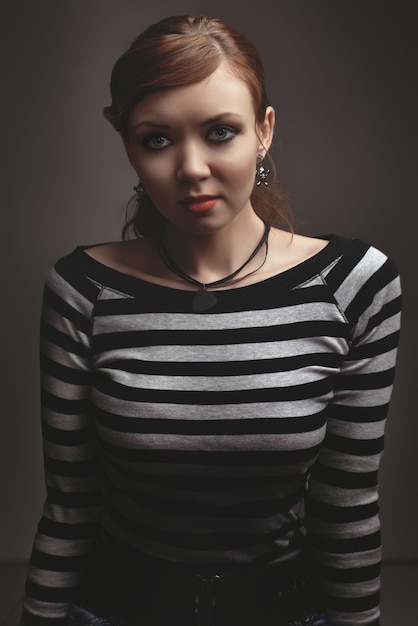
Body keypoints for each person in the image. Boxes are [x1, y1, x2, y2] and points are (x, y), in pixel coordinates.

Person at [21, 14, 401, 626]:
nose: (192, 167)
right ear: (129, 148)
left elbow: (347, 501)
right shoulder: (83, 290)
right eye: (158, 139)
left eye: (220, 132)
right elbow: (70, 501)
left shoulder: (355, 284)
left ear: (264, 130)